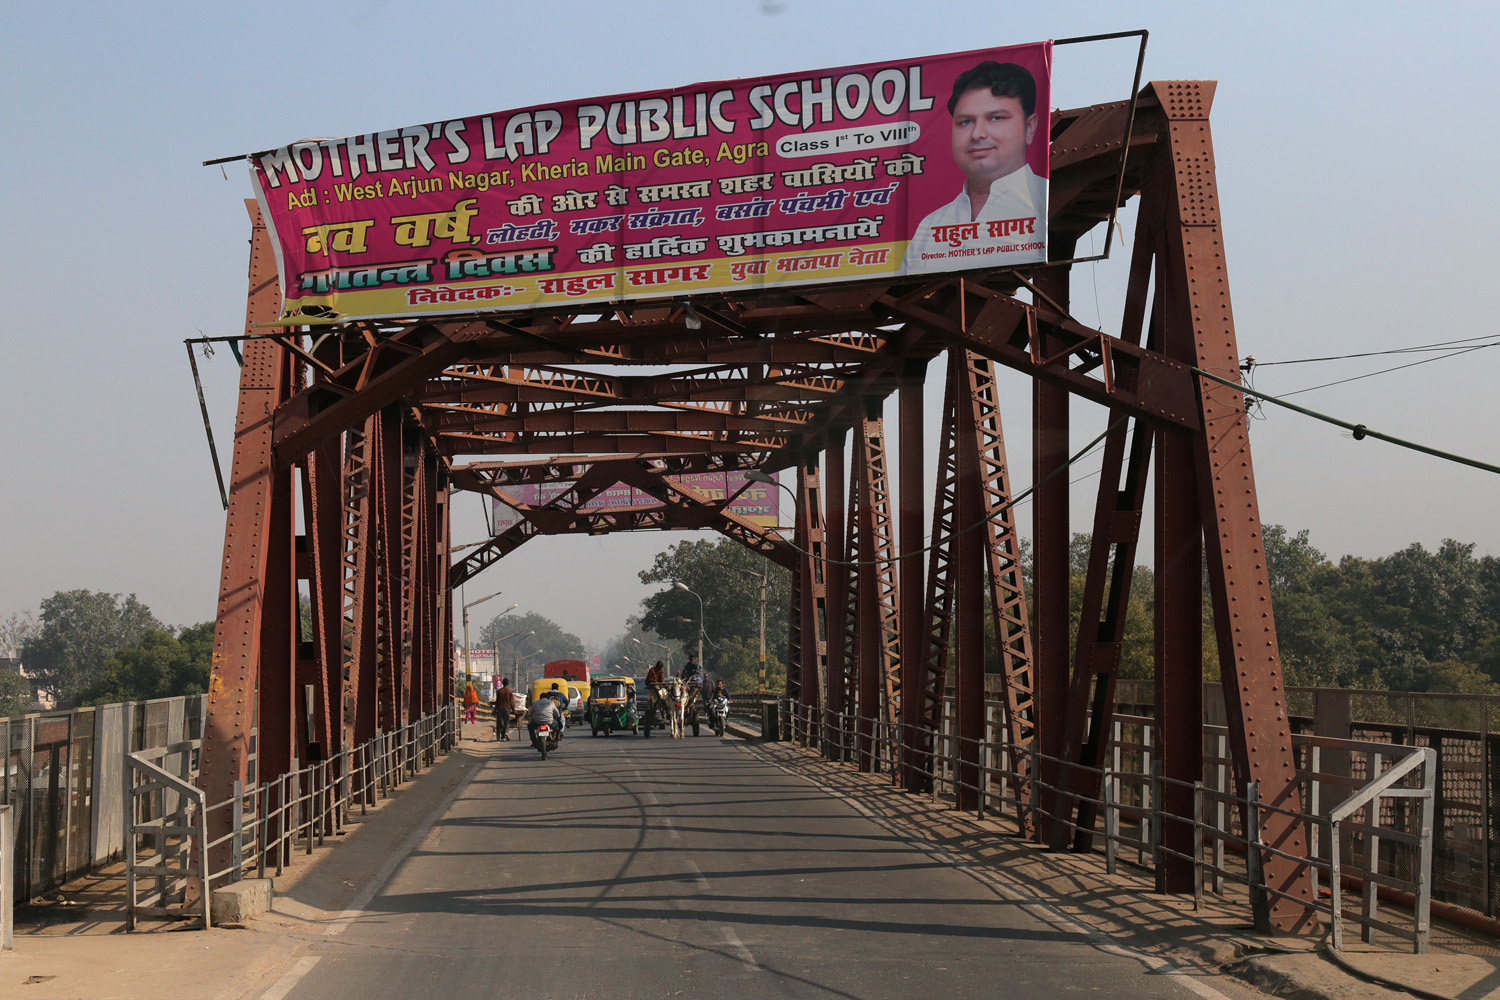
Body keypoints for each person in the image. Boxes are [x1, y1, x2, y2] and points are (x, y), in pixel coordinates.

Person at [902, 60, 1047, 274]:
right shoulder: (930, 228)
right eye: (966, 122)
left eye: (996, 118)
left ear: (1029, 127)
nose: (977, 134)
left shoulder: (1046, 202)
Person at [493, 677, 515, 741]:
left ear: (502, 683)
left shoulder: (499, 691)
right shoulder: (509, 691)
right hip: (507, 709)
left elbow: (497, 701)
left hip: (500, 709)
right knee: (507, 722)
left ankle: (503, 736)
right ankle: (506, 732)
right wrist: (514, 710)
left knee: (501, 723)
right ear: (507, 683)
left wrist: (495, 710)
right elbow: (512, 702)